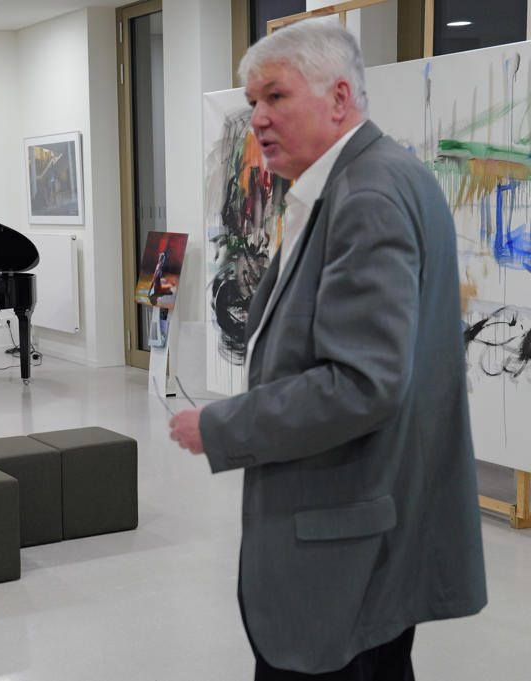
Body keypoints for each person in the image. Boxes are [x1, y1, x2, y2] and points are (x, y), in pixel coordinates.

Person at [168, 21, 486, 679]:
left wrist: (220, 426)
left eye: (275, 96)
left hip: (345, 541)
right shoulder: (380, 175)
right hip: (372, 521)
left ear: (338, 98)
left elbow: (362, 384)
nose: (257, 117)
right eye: (252, 101)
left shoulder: (365, 194)